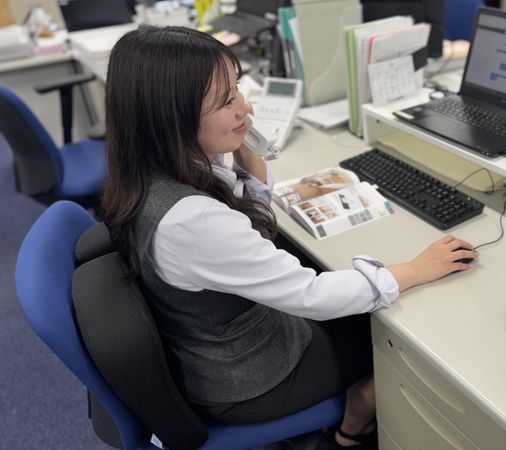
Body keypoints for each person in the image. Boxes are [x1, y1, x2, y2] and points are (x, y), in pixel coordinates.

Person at [101, 25, 478, 448]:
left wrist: (243, 142)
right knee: (393, 335)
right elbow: (311, 295)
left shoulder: (150, 170)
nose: (246, 107)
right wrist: (417, 268)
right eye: (226, 101)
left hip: (218, 342)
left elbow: (249, 215)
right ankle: (354, 421)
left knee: (364, 297)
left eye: (238, 89)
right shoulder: (193, 221)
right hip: (250, 380)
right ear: (171, 118)